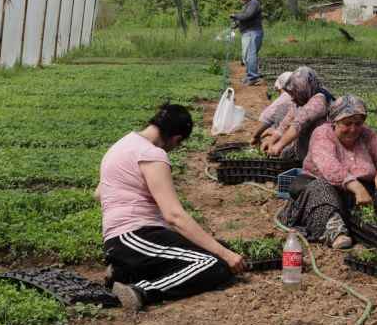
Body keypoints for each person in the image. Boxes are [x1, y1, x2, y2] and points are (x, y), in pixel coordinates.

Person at [96, 103, 247, 312]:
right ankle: (142, 291)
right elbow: (174, 215)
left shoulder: (122, 144)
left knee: (213, 250)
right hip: (134, 236)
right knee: (213, 264)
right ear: (176, 139)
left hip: (123, 239)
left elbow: (98, 193)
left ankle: (125, 271)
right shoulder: (152, 154)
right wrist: (227, 255)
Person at [281, 95, 377, 249]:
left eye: (358, 123)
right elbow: (329, 166)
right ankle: (334, 231)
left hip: (364, 197)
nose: (353, 129)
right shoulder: (322, 133)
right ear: (334, 122)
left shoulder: (367, 134)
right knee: (320, 187)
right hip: (328, 194)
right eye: (347, 123)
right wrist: (356, 187)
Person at [261, 66, 334, 159]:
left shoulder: (318, 100)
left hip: (323, 148)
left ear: (303, 90)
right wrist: (272, 139)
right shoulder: (303, 97)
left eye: (295, 94)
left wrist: (279, 145)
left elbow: (298, 124)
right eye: (291, 94)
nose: (292, 98)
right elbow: (288, 119)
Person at [230, 0, 263, 86]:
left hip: (253, 32)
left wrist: (235, 15)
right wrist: (236, 24)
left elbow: (248, 15)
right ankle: (250, 75)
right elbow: (244, 18)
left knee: (250, 55)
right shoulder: (246, 5)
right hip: (247, 33)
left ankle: (253, 77)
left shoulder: (254, 3)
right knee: (246, 56)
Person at [251, 71, 294, 145]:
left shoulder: (285, 98)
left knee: (280, 112)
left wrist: (255, 137)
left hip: (293, 139)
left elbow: (265, 119)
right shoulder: (306, 94)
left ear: (281, 88)